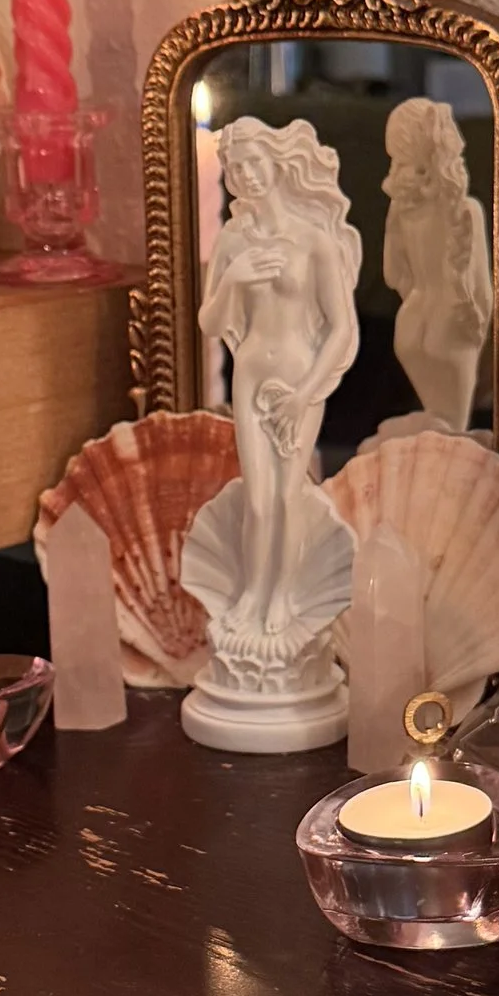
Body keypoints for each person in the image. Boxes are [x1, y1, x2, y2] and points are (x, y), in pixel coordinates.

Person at [192, 117, 363, 656]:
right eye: (236, 167)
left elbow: (342, 328)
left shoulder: (314, 241)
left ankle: (282, 598)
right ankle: (253, 594)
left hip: (296, 379)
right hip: (250, 375)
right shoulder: (234, 240)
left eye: (254, 163)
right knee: (258, 500)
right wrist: (234, 278)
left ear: (276, 166)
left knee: (289, 495)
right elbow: (211, 322)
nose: (247, 175)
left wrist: (306, 391)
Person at [381, 97, 491, 432]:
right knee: (452, 426)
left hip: (421, 315)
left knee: (441, 416)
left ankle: (441, 438)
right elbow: (481, 289)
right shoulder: (460, 211)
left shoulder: (405, 209)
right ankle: (442, 437)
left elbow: (393, 274)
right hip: (447, 316)